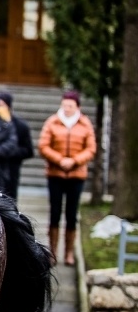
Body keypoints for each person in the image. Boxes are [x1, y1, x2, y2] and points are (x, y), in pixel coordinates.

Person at [38, 90, 96, 266]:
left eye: (70, 106)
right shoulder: (52, 122)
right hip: (55, 174)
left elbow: (91, 148)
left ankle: (69, 252)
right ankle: (53, 251)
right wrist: (59, 160)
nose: (67, 108)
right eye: (64, 105)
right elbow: (43, 145)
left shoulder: (85, 124)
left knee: (71, 214)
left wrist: (75, 161)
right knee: (55, 213)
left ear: (77, 107)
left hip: (76, 176)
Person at [0, 91, 34, 201]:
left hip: (11, 169)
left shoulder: (20, 125)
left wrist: (7, 151)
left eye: (1, 105)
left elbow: (28, 150)